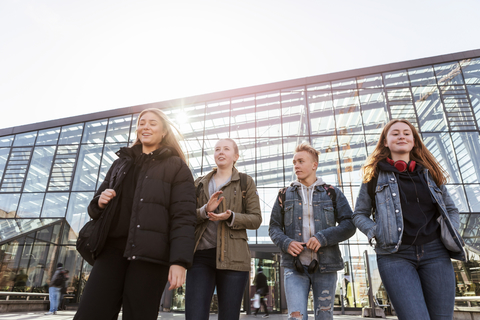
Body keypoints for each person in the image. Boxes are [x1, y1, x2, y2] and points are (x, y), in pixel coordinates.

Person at [73, 108, 197, 320]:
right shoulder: (121, 163)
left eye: (152, 123)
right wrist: (100, 201)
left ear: (164, 131)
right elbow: (94, 208)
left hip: (150, 254)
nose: (145, 127)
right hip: (111, 250)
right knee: (90, 314)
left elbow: (183, 217)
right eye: (142, 122)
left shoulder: (177, 167)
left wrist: (179, 261)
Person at [352, 119, 466, 320]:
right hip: (395, 255)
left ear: (414, 141)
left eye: (406, 133)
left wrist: (451, 229)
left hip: (436, 253)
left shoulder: (429, 173)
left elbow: (451, 208)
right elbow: (359, 214)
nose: (401, 136)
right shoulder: (374, 175)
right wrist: (376, 231)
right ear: (386, 142)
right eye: (395, 133)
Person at [269, 142, 355, 320]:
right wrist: (286, 243)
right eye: (294, 162)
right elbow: (274, 228)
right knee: (296, 317)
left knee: (324, 317)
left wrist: (323, 238)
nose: (296, 166)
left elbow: (349, 224)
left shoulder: (332, 193)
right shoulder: (284, 194)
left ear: (314, 165)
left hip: (326, 266)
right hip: (294, 267)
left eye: (301, 161)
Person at [185, 138, 262, 320]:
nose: (221, 152)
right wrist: (205, 211)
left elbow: (256, 219)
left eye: (226, 149)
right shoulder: (199, 184)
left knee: (229, 316)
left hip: (234, 258)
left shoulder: (245, 182)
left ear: (235, 156)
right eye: (217, 149)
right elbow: (186, 217)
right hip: (201, 257)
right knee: (194, 315)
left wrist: (231, 217)